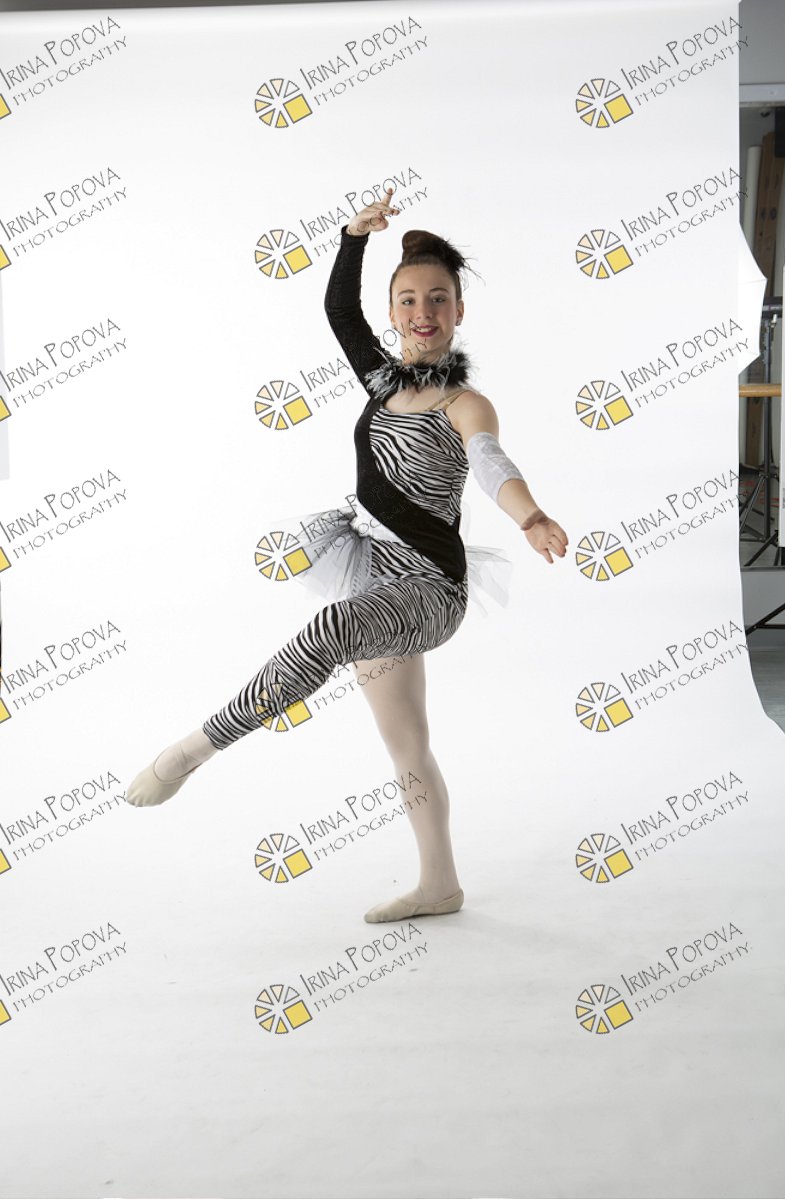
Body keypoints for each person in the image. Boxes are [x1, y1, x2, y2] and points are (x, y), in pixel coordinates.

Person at [126, 187, 568, 923]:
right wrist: (353, 238)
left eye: (438, 299)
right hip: (374, 574)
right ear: (393, 312)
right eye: (408, 300)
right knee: (408, 744)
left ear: (459, 311)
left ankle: (191, 751)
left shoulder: (465, 404)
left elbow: (492, 463)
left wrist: (531, 515)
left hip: (430, 589)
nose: (423, 312)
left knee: (330, 631)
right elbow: (338, 310)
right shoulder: (382, 381)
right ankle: (440, 885)